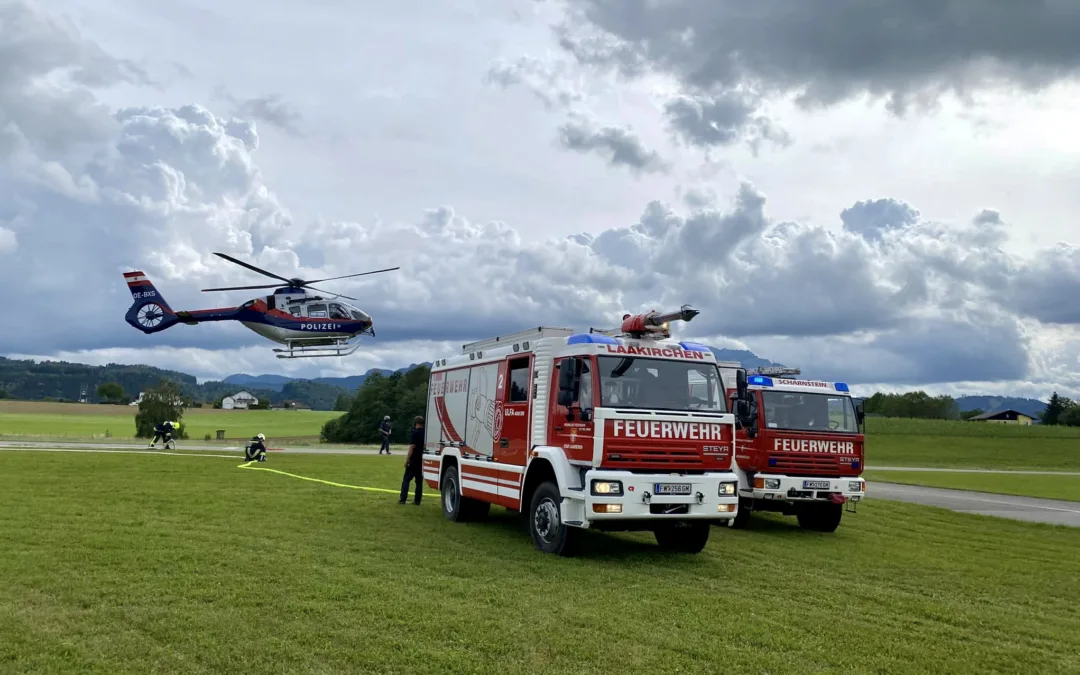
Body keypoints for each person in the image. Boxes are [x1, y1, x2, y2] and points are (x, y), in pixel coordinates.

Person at [398, 415, 425, 505]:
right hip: (422, 459)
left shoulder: (415, 433)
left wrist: (407, 460)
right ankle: (417, 500)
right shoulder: (425, 433)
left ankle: (403, 499)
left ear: (415, 423)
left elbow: (412, 447)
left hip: (414, 459)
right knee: (419, 482)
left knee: (406, 479)